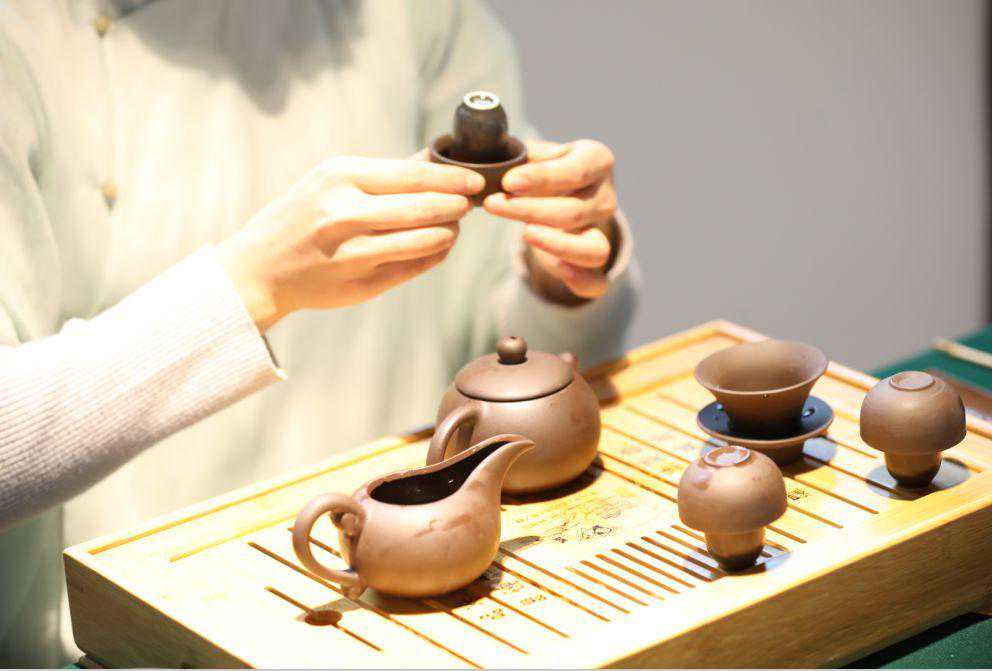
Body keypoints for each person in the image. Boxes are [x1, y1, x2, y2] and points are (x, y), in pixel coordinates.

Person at [0, 0, 638, 665]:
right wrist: (252, 285)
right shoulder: (22, 38)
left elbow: (509, 351)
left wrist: (562, 272)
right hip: (117, 622)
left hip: (410, 582)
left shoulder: (419, 15)